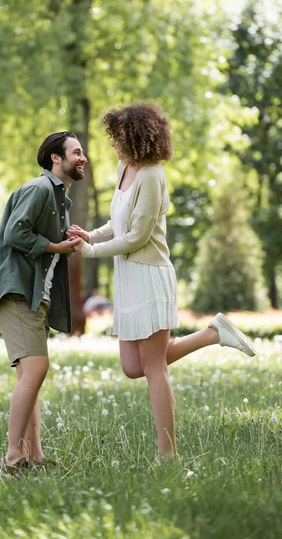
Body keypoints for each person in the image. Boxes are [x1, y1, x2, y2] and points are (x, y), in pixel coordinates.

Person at [68, 103, 255, 459]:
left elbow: (138, 237)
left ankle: (167, 452)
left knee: (153, 366)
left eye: (118, 137)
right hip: (128, 278)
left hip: (149, 276)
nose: (112, 145)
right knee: (132, 366)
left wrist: (89, 253)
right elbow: (118, 225)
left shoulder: (152, 176)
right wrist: (89, 236)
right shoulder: (125, 169)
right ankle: (213, 334)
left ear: (135, 137)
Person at [0, 131, 87, 474]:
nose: (82, 157)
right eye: (76, 152)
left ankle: (33, 455)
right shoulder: (39, 189)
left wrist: (69, 238)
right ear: (56, 158)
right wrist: (57, 247)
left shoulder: (61, 201)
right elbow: (16, 232)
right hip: (17, 291)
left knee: (31, 374)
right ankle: (12, 457)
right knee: (37, 369)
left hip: (34, 293)